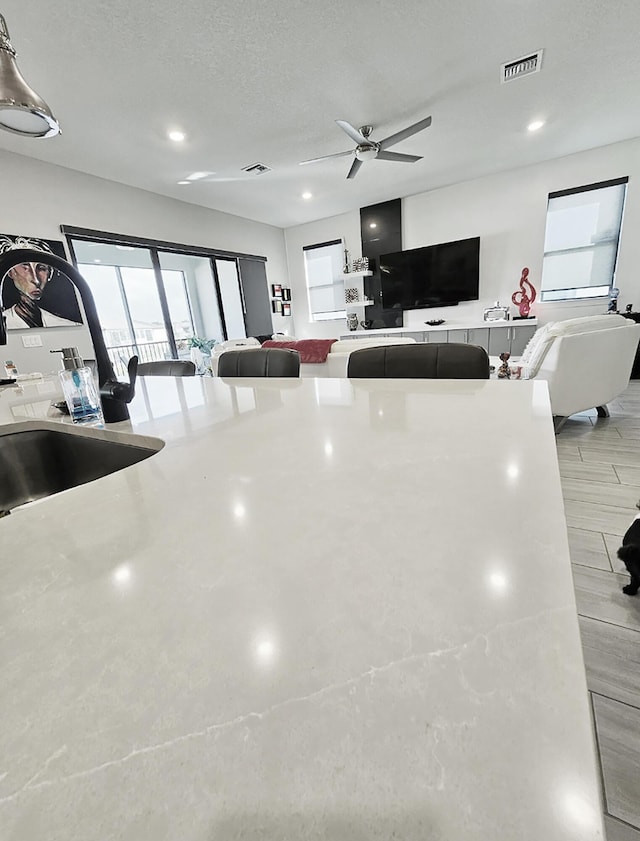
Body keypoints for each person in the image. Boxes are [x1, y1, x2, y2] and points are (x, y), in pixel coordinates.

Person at [2, 259, 81, 329]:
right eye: (25, 267)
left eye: (41, 268)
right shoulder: (5, 322)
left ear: (50, 274)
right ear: (10, 272)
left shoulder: (69, 325)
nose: (36, 280)